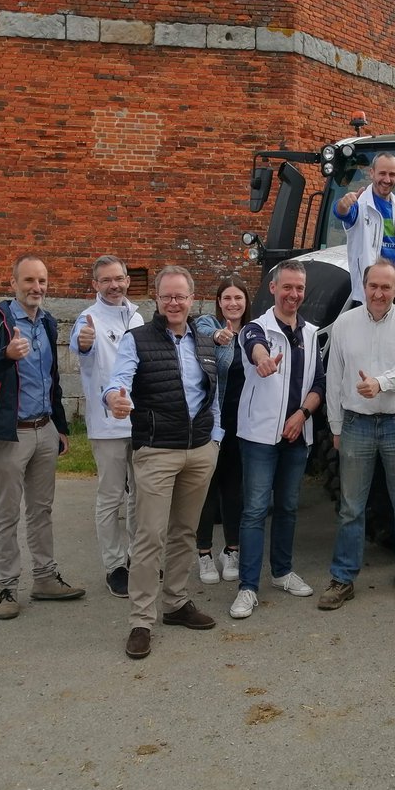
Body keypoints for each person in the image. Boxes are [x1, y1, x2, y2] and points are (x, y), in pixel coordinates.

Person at [104, 266, 221, 660]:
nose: (174, 303)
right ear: (156, 299)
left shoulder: (204, 341)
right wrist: (114, 399)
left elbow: (212, 394)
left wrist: (215, 439)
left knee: (184, 532)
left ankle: (175, 603)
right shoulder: (136, 340)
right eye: (167, 296)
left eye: (181, 296)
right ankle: (141, 619)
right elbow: (119, 380)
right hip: (156, 451)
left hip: (200, 450)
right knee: (149, 536)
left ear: (192, 299)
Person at [319, 259, 395, 610]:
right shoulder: (344, 323)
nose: (379, 293)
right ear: (364, 286)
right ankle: (343, 578)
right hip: (356, 424)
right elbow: (334, 378)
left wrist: (379, 383)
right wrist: (337, 427)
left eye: (386, 287)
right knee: (351, 508)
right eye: (373, 286)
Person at [0, 254, 85, 620]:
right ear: (14, 283)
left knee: (42, 510)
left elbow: (51, 380)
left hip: (44, 429)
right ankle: (7, 588)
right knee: (6, 513)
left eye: (42, 282)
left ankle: (45, 578)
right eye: (30, 281)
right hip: (9, 433)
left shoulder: (47, 322)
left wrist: (60, 426)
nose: (37, 288)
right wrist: (6, 354)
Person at [228, 261, 325, 619]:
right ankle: (248, 587)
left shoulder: (313, 333)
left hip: (298, 435)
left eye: (299, 288)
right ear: (273, 287)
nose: (293, 295)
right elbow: (253, 346)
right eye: (287, 287)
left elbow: (319, 383)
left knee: (287, 507)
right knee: (254, 511)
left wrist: (302, 415)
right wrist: (263, 360)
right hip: (258, 436)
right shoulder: (257, 328)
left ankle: (282, 572)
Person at [69, 255, 145, 598]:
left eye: (119, 278)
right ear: (95, 284)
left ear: (127, 279)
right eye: (106, 280)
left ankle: (136, 556)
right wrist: (84, 344)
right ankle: (114, 565)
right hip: (107, 424)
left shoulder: (138, 315)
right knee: (111, 496)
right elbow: (81, 351)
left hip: (140, 420)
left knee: (140, 495)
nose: (114, 285)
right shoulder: (88, 319)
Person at [193, 277, 250, 585]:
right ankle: (203, 553)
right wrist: (218, 335)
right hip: (211, 421)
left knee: (234, 488)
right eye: (227, 298)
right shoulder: (208, 323)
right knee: (207, 488)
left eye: (238, 298)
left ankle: (231, 550)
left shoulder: (254, 332)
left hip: (242, 422)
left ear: (245, 302)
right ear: (219, 301)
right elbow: (201, 332)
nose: (232, 303)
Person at [333, 152, 395, 304]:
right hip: (370, 292)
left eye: (392, 174)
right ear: (371, 173)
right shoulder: (360, 204)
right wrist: (342, 205)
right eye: (382, 173)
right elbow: (344, 213)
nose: (387, 180)